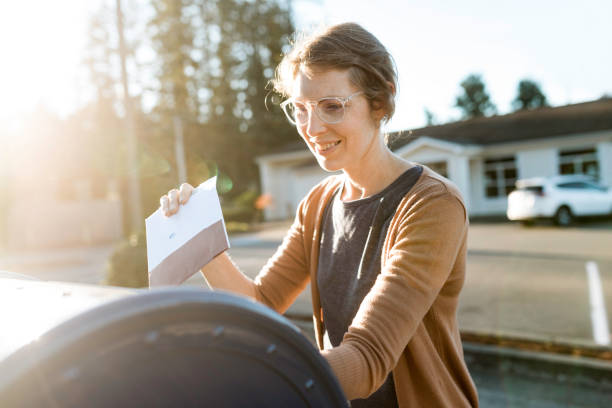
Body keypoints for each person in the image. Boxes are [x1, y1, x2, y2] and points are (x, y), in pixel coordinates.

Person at [160, 22, 479, 407]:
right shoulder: (318, 203)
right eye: (299, 109)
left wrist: (253, 378)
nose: (311, 128)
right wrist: (201, 238)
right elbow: (260, 304)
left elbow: (366, 361)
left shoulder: (432, 204)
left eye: (331, 107)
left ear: (380, 103)